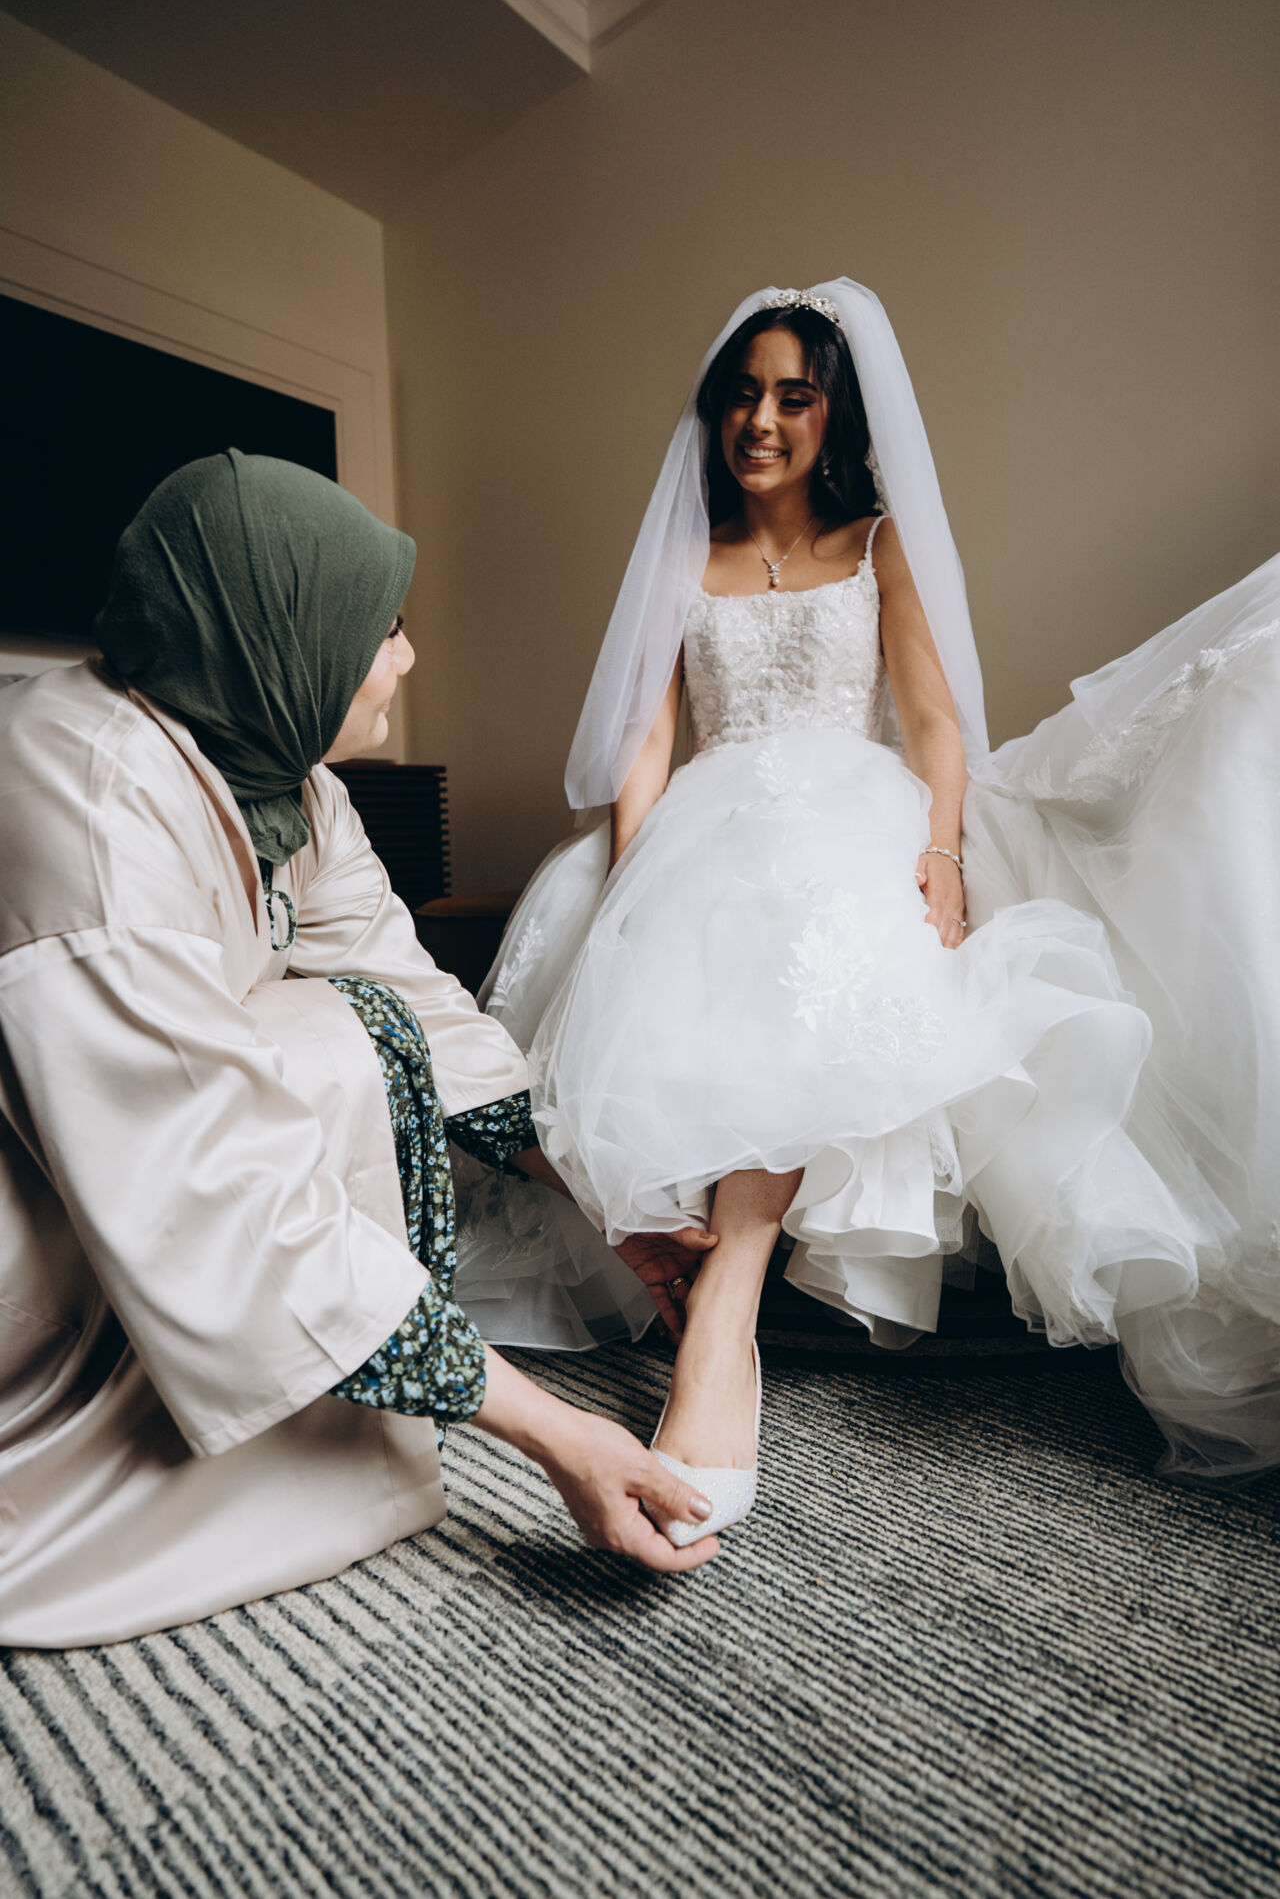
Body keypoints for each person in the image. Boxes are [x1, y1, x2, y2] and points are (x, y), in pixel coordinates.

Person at [462, 280, 1280, 1539]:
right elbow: (646, 741)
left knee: (817, 919)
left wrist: (941, 849)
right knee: (689, 927)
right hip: (707, 812)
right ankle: (708, 1271)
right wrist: (630, 874)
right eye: (742, 395)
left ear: (830, 415)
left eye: (792, 396)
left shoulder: (875, 541)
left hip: (850, 805)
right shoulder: (683, 555)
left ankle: (726, 1304)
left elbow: (934, 722)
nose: (760, 419)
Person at [0, 450, 720, 1649]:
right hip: (50, 1205)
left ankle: (333, 1389)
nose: (408, 655)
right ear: (275, 635)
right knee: (340, 1045)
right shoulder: (92, 814)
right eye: (381, 628)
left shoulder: (283, 777)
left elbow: (413, 998)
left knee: (367, 1025)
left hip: (131, 1149)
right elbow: (218, 1198)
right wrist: (555, 1433)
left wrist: (603, 1206)